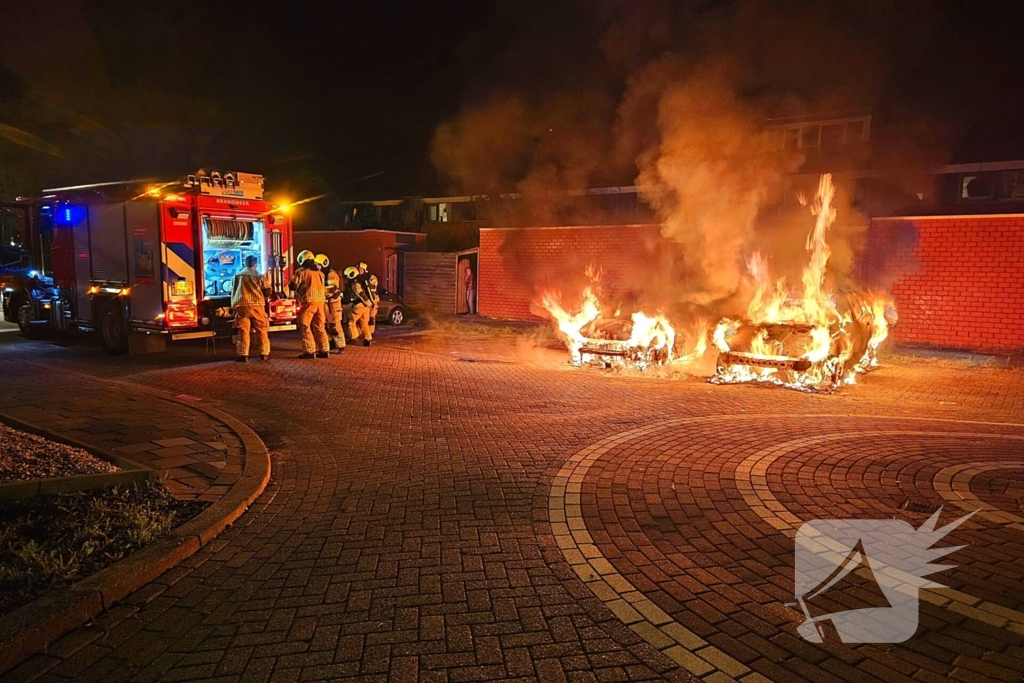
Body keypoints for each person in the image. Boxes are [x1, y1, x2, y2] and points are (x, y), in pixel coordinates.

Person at [289, 251, 330, 359]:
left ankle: (309, 351)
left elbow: (293, 286)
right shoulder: (321, 273)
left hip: (308, 301)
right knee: (320, 326)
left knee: (304, 326)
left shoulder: (301, 271)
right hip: (321, 302)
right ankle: (324, 350)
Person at [230, 255, 271, 362]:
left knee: (243, 330)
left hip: (241, 305)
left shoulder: (237, 275)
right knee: (261, 329)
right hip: (256, 305)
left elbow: (231, 289)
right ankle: (264, 353)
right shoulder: (259, 275)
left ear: (245, 263)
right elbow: (267, 291)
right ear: (255, 264)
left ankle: (243, 354)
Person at [316, 253, 345, 354]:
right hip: (326, 305)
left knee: (335, 326)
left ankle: (341, 345)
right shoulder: (322, 274)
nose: (317, 267)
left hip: (333, 305)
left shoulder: (331, 275)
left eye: (318, 265)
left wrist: (320, 292)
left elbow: (332, 290)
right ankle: (331, 343)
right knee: (324, 325)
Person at [343, 266, 374, 346]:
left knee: (351, 322)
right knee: (364, 323)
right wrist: (369, 305)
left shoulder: (355, 284)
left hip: (359, 306)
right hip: (366, 307)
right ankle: (368, 339)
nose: (346, 279)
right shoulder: (361, 282)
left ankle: (354, 337)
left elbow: (362, 295)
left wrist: (368, 303)